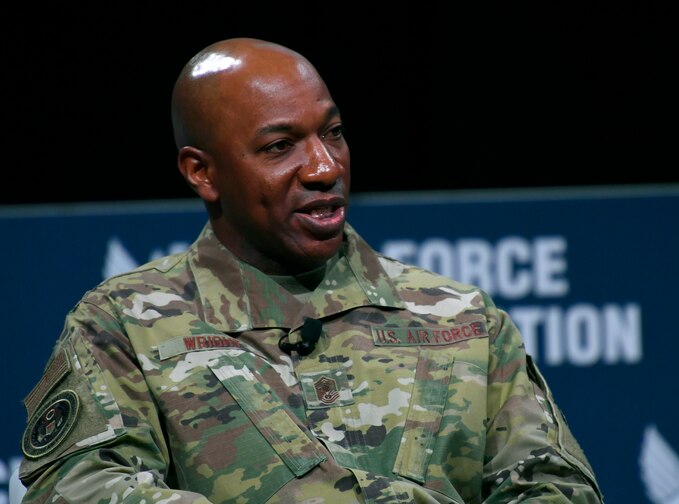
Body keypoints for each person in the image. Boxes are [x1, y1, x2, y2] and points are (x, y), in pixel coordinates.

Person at [17, 37, 604, 503]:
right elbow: (78, 491)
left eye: (334, 133)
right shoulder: (122, 325)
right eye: (280, 146)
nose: (325, 167)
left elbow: (555, 489)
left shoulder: (464, 319)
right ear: (203, 172)